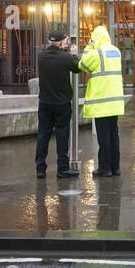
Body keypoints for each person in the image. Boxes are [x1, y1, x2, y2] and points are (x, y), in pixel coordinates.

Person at [35, 29, 84, 179]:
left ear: (50, 41)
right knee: (62, 136)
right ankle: (62, 169)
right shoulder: (65, 58)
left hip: (45, 101)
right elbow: (77, 68)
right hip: (62, 103)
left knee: (43, 134)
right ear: (61, 42)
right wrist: (73, 53)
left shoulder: (41, 56)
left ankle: (40, 169)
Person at [79, 24, 125, 176]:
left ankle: (104, 168)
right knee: (114, 135)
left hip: (101, 102)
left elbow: (83, 64)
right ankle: (115, 167)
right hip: (115, 102)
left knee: (103, 137)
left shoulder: (97, 53)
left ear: (96, 38)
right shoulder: (116, 51)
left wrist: (89, 47)